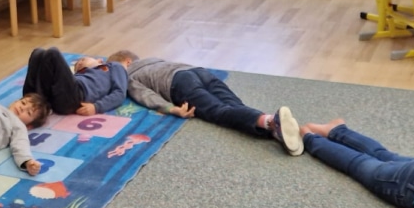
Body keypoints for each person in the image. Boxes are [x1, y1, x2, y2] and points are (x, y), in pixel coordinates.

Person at [105, 52, 302, 156]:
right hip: (198, 71)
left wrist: (171, 108)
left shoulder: (129, 75)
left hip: (177, 84)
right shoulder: (154, 59)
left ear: (127, 62)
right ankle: (274, 130)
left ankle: (270, 121)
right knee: (233, 104)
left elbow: (145, 95)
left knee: (218, 111)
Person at [21, 47, 127, 116]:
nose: (79, 63)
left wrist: (97, 107)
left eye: (83, 60)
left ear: (99, 61)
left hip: (77, 96)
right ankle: (29, 98)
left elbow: (119, 93)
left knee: (53, 53)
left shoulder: (113, 66)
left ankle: (38, 105)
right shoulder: (79, 75)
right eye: (76, 66)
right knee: (38, 53)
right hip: (58, 96)